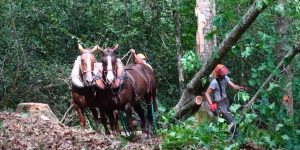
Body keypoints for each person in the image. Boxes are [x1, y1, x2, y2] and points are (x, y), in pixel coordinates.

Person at [205, 64, 247, 135]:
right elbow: (207, 93)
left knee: (229, 120)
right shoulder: (214, 82)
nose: (224, 75)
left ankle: (228, 134)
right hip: (220, 104)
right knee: (232, 121)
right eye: (223, 73)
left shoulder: (225, 78)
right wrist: (211, 104)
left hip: (225, 101)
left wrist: (241, 88)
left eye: (225, 73)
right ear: (219, 74)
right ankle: (235, 137)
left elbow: (233, 86)